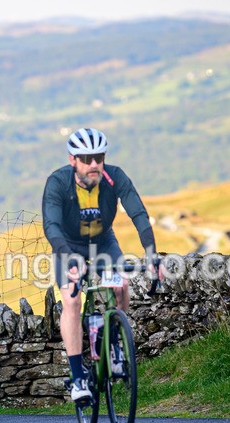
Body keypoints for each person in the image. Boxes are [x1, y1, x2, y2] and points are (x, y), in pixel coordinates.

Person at [41, 128, 157, 402]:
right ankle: (78, 378)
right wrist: (68, 259)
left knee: (121, 285)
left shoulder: (114, 177)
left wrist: (151, 253)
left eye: (99, 157)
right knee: (71, 301)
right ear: (73, 160)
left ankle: (115, 345)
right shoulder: (58, 182)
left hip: (103, 242)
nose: (94, 163)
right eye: (86, 158)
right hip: (68, 245)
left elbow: (138, 213)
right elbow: (52, 225)